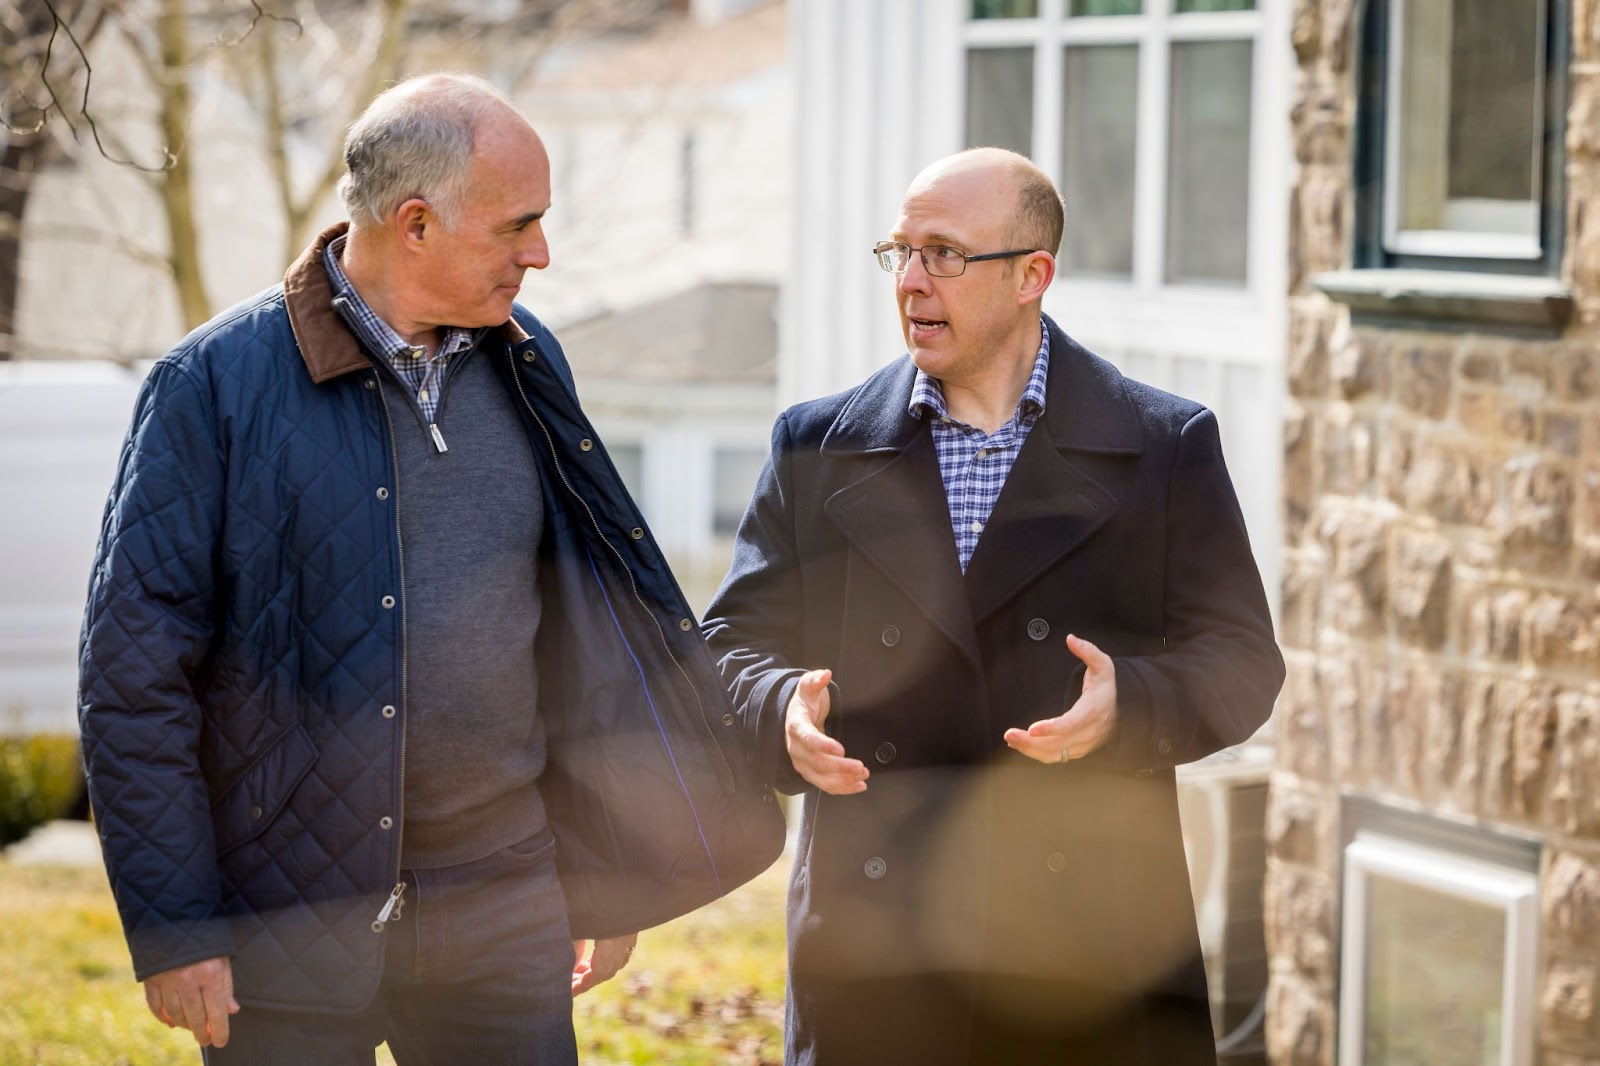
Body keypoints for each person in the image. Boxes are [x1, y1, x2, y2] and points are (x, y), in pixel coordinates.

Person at [78, 72, 781, 1064]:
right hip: (286, 913)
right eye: (517, 226)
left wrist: (604, 870)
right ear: (415, 223)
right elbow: (134, 674)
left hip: (507, 901)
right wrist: (176, 924)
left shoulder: (530, 359)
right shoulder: (211, 387)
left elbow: (578, 633)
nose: (540, 252)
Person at [702, 147, 1285, 1066]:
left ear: (1031, 276)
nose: (911, 282)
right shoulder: (817, 446)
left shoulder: (1162, 445)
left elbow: (1244, 661)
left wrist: (1131, 703)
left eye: (943, 254)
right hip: (878, 949)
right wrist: (778, 709)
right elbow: (729, 643)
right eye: (899, 252)